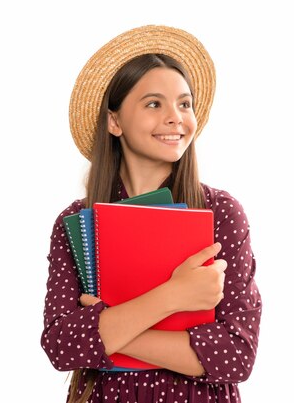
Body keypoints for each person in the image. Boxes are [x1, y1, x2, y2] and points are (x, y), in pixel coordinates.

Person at [41, 25, 262, 403]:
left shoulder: (220, 213)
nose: (176, 117)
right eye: (154, 103)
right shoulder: (77, 222)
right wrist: (173, 295)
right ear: (115, 121)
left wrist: (110, 328)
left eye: (185, 103)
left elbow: (235, 355)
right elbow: (62, 346)